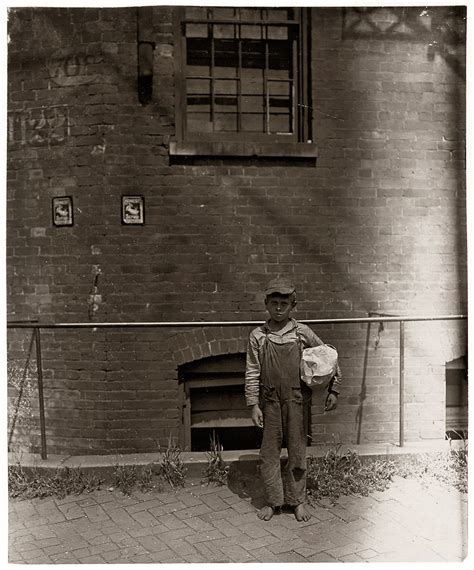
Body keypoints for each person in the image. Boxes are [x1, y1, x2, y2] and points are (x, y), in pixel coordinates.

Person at [245, 277, 342, 522]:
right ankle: (273, 502)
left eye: (284, 303)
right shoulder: (258, 336)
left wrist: (334, 389)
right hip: (270, 403)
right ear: (266, 304)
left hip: (296, 401)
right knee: (269, 453)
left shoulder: (302, 333)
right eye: (274, 302)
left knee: (297, 452)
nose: (279, 308)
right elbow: (252, 371)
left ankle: (297, 501)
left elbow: (329, 357)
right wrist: (253, 404)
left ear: (293, 305)